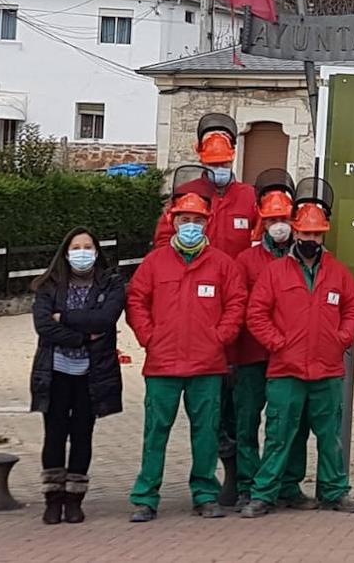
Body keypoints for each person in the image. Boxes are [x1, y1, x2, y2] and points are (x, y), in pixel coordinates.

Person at [126, 168, 247, 522]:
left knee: (206, 434)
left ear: (207, 223)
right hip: (162, 365)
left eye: (197, 219)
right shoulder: (153, 263)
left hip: (207, 365)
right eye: (184, 219)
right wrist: (149, 337)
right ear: (173, 221)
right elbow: (136, 302)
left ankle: (205, 494)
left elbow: (236, 304)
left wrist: (220, 338)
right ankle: (146, 497)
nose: (190, 225)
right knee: (155, 434)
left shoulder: (223, 265)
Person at [242, 178, 354, 517]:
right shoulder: (275, 273)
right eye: (306, 234)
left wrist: (342, 338)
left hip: (327, 371)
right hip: (286, 370)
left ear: (323, 235)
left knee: (330, 439)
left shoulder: (339, 273)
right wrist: (277, 344)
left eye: (317, 235)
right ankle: (265, 494)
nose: (311, 240)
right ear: (296, 232)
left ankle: (335, 492)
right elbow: (256, 313)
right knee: (280, 435)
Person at [29, 226, 125, 524]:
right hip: (55, 371)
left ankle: (74, 498)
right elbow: (44, 326)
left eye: (87, 247)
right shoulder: (49, 285)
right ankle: (52, 498)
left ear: (96, 252)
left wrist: (66, 318)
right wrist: (83, 337)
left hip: (93, 373)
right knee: (54, 434)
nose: (81, 252)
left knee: (82, 434)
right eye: (76, 247)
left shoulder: (111, 283)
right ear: (66, 251)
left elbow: (106, 319)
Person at [229, 170, 313, 510]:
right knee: (246, 422)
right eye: (273, 219)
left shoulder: (306, 259)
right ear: (262, 221)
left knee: (295, 424)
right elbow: (239, 304)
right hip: (251, 354)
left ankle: (289, 485)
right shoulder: (245, 260)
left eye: (284, 218)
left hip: (291, 357)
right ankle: (249, 485)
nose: (279, 225)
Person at [153, 113, 258, 259]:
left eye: (223, 163)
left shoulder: (249, 195)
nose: (219, 168)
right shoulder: (186, 193)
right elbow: (164, 239)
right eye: (213, 164)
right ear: (203, 162)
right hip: (195, 273)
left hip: (236, 276)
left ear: (232, 159)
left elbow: (261, 240)